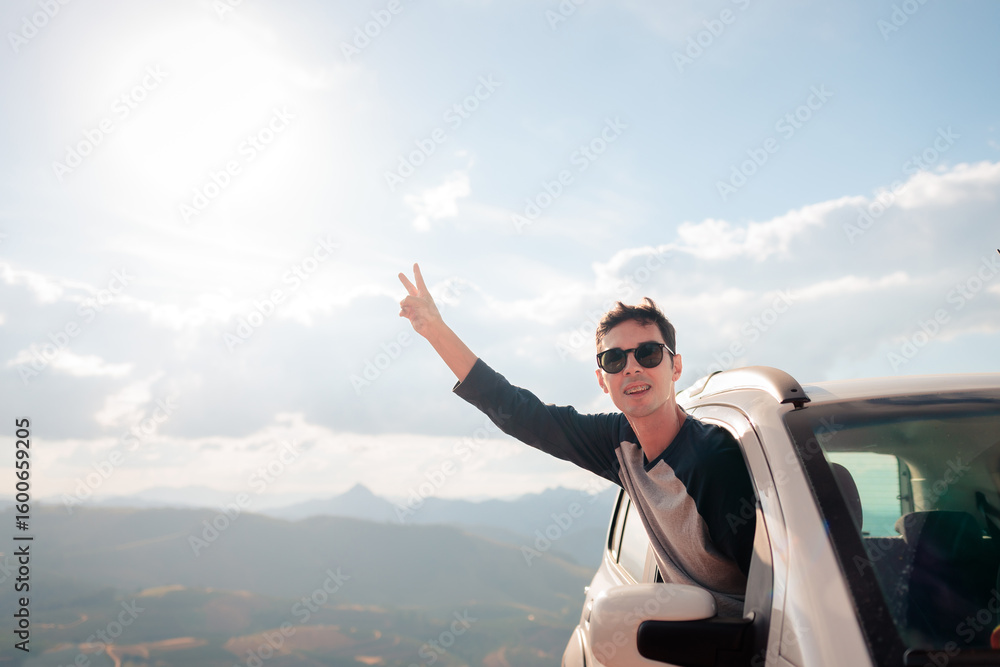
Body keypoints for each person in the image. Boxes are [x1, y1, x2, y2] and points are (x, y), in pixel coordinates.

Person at [398, 263, 756, 616]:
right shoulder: (619, 443)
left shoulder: (712, 463)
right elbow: (519, 413)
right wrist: (434, 330)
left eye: (648, 353)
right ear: (603, 381)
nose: (632, 367)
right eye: (614, 359)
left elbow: (776, 597)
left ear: (675, 367)